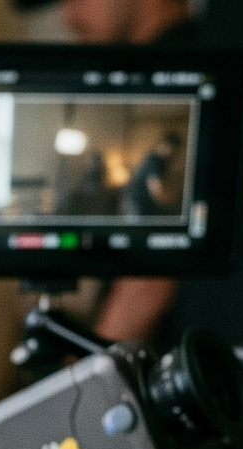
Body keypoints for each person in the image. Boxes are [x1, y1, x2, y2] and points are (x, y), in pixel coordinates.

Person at [58, 0, 200, 344]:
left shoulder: (187, 69)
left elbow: (149, 284)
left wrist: (91, 370)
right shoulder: (143, 72)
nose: (67, 15)